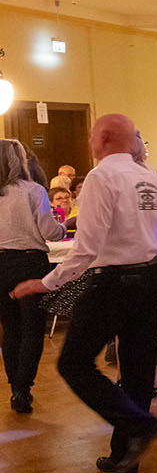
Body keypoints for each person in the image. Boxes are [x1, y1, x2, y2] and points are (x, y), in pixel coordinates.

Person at [10, 114, 157, 473]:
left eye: (91, 135)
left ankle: (139, 426)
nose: (89, 140)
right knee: (137, 369)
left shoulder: (101, 177)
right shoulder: (154, 179)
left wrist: (46, 283)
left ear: (103, 138)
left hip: (112, 283)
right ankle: (124, 454)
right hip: (149, 279)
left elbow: (86, 248)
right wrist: (142, 247)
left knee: (73, 363)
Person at [0, 139, 65, 413]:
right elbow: (50, 232)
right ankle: (23, 388)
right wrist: (64, 227)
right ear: (19, 161)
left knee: (10, 329)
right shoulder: (33, 190)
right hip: (30, 263)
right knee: (32, 329)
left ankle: (14, 385)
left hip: (1, 264)